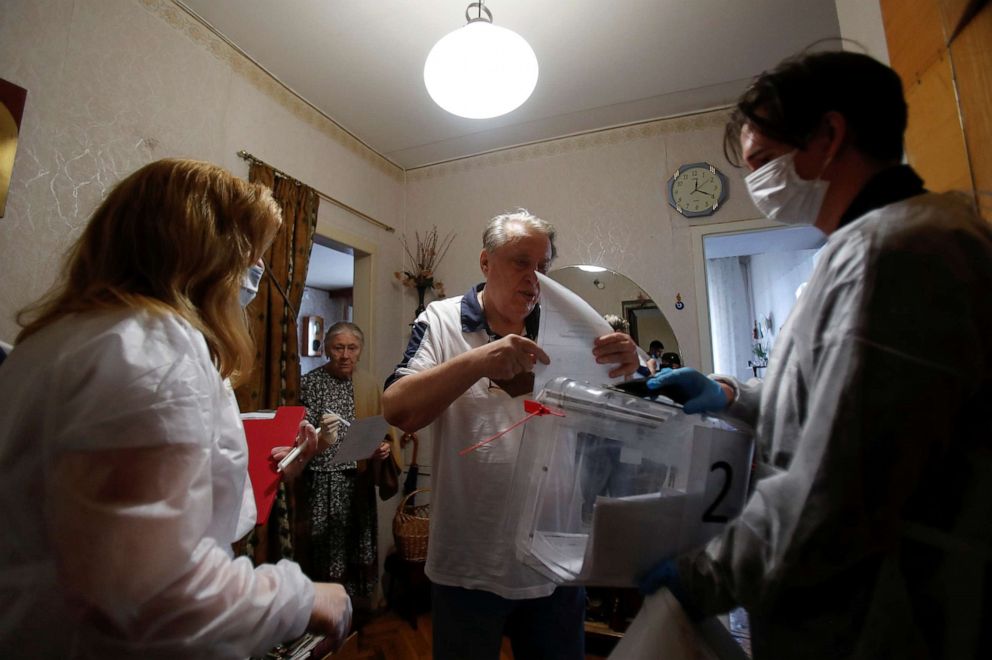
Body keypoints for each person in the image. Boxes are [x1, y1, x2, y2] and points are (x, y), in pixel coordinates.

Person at [641, 51, 992, 659]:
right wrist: (729, 394)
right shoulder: (867, 248)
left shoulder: (895, 253)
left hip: (888, 619)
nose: (758, 184)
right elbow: (832, 409)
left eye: (761, 163)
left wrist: (702, 578)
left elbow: (833, 488)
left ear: (829, 136)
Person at [0, 159, 351, 659]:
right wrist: (302, 598)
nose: (256, 274)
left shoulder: (54, 343)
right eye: (250, 255)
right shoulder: (151, 351)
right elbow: (152, 591)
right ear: (206, 252)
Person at [382, 209, 639, 660]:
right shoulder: (440, 320)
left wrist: (632, 368)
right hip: (466, 561)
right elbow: (397, 407)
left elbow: (632, 409)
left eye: (542, 267)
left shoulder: (572, 327)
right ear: (486, 262)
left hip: (553, 562)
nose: (534, 278)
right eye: (521, 262)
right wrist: (479, 361)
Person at [294, 321, 398, 610]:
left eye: (351, 348)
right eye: (338, 348)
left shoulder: (368, 384)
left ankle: (356, 610)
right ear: (327, 349)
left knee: (358, 545)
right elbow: (300, 442)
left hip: (358, 482)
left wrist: (383, 449)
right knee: (326, 550)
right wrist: (323, 438)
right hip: (323, 483)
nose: (345, 354)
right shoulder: (310, 383)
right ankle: (323, 611)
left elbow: (382, 429)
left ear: (360, 351)